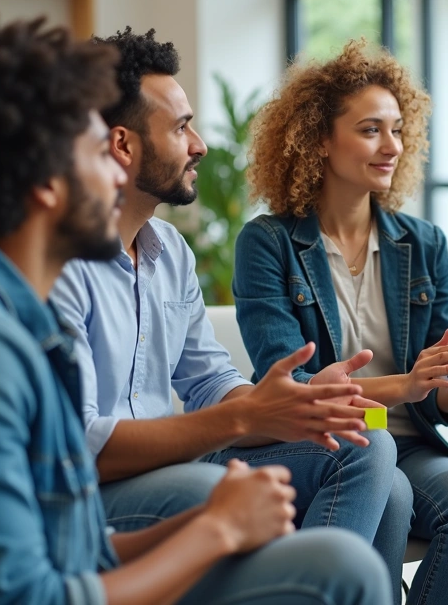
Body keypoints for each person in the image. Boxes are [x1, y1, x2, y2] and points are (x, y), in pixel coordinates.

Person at [0, 14, 388, 605]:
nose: (114, 176)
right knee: (339, 570)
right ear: (48, 183)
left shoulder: (12, 314)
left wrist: (211, 522)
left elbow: (74, 548)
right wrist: (216, 527)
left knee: (342, 557)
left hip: (121, 529)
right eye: (99, 151)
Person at [50, 28, 403, 553]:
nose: (200, 145)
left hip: (174, 463)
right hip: (89, 490)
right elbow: (77, 445)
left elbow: (211, 381)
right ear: (123, 144)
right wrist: (246, 414)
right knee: (210, 490)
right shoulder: (60, 266)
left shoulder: (169, 250)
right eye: (181, 128)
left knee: (379, 461)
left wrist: (293, 403)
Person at [235, 39, 448, 605]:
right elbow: (293, 391)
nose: (391, 146)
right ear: (319, 140)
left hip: (410, 441)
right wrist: (403, 385)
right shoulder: (267, 243)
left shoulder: (423, 244)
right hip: (327, 442)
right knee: (391, 495)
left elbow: (437, 403)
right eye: (371, 129)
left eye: (398, 130)